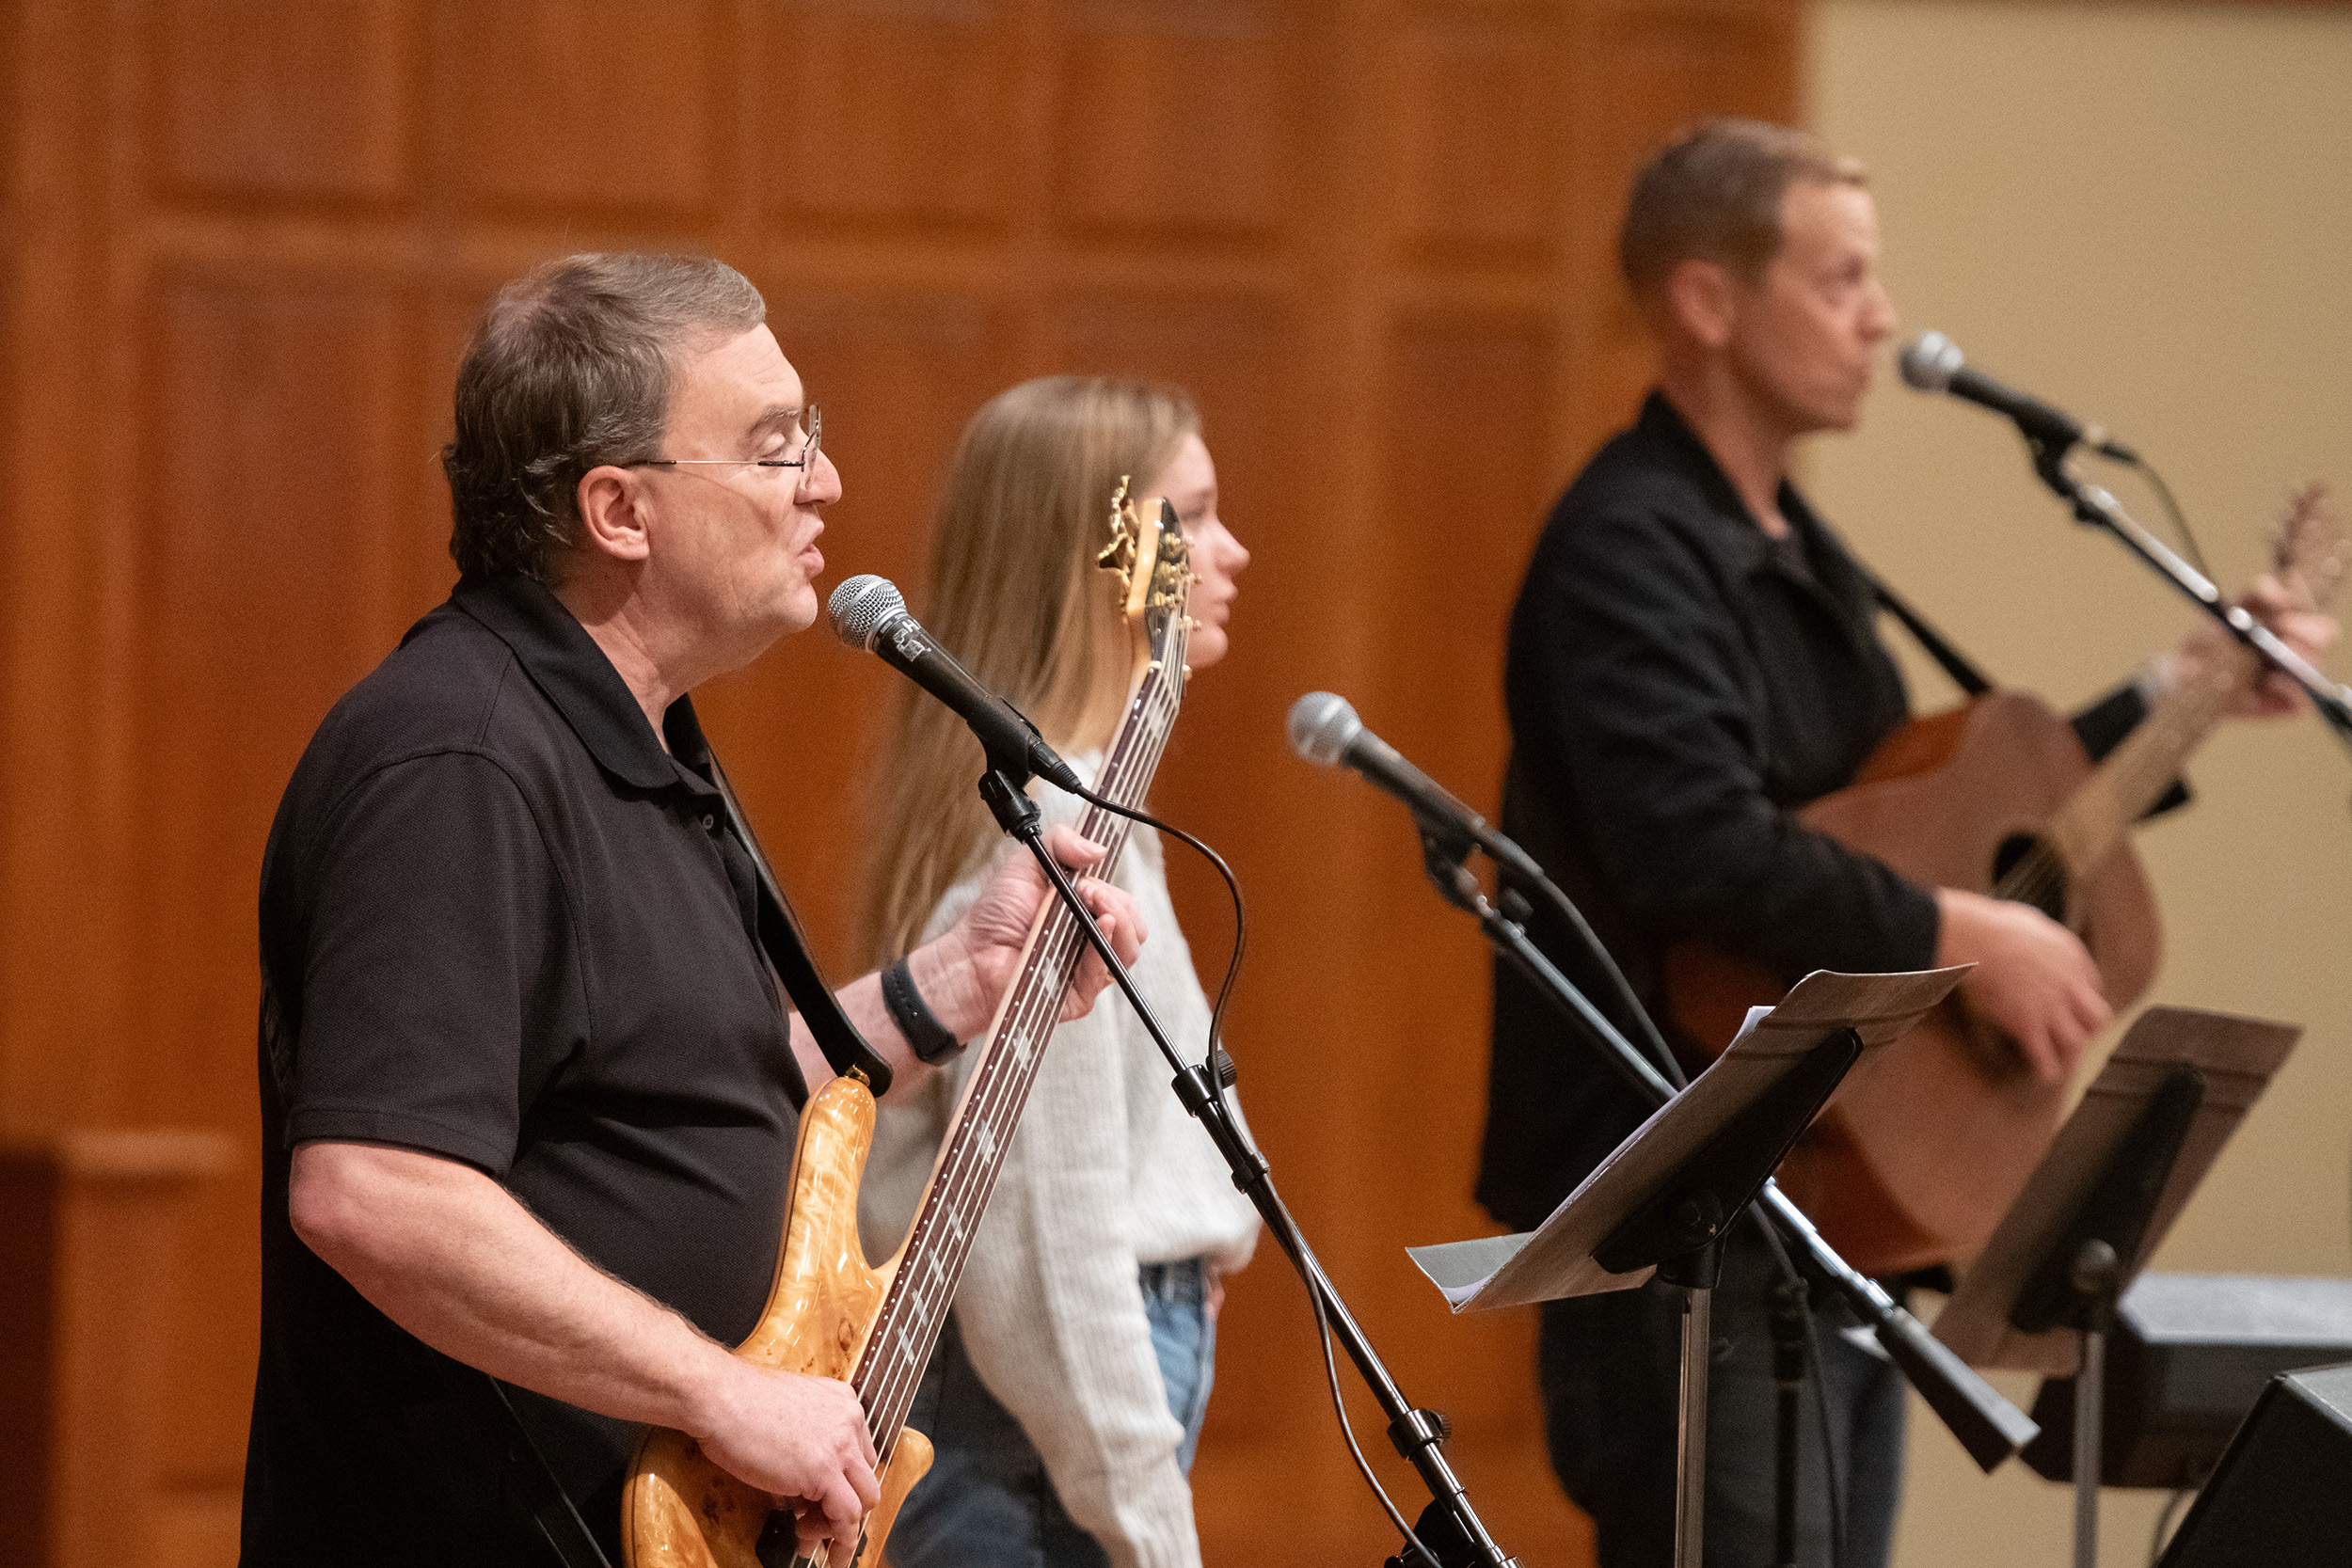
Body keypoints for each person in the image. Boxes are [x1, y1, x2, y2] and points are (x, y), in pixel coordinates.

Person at [1474, 120, 2335, 1568]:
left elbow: (1910, 820)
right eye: (1841, 280)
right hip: (1692, 1226)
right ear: (1707, 300)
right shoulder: (1629, 546)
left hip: (1831, 1210)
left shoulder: (1794, 547)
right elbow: (1696, 846)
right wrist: (1958, 934)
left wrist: (2181, 695)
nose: (1884, 318)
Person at [241, 254, 1146, 1568]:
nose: (825, 483)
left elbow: (682, 1091)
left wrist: (952, 981)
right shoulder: (462, 758)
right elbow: (374, 1185)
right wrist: (715, 1390)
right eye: (777, 446)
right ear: (619, 508)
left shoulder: (639, 742)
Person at [851, 376, 1262, 1568]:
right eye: (1191, 517)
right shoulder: (1044, 833)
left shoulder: (1072, 797)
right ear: (1110, 558)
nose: (1227, 551)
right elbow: (1041, 1245)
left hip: (1042, 1419)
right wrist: (1152, 1523)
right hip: (1033, 1438)